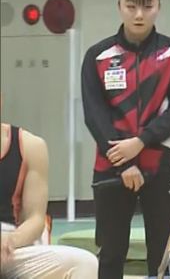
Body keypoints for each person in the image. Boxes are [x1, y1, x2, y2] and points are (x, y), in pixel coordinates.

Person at [81, 0, 170, 279]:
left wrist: (141, 142)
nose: (139, 15)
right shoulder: (97, 56)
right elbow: (94, 115)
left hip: (163, 164)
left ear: (159, 8)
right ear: (119, 7)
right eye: (131, 6)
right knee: (111, 253)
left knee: (163, 255)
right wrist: (125, 161)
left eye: (147, 6)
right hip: (112, 165)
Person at [1, 95, 99, 279]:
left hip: (9, 246)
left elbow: (36, 219)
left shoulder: (30, 146)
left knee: (85, 263)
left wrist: (11, 241)